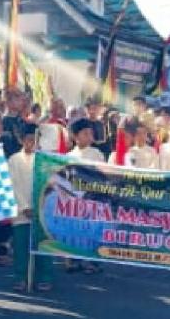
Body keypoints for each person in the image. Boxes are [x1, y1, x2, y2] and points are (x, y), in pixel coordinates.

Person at [8, 122, 52, 292]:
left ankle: (44, 277)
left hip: (41, 210)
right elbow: (13, 185)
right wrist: (25, 207)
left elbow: (49, 185)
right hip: (21, 212)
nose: (31, 142)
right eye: (28, 139)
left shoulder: (46, 159)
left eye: (35, 138)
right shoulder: (14, 160)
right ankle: (21, 277)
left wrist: (40, 207)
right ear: (21, 140)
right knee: (21, 246)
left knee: (43, 244)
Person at [67, 118, 105, 275]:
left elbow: (102, 175)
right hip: (75, 198)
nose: (90, 136)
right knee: (75, 229)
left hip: (93, 197)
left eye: (91, 133)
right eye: (85, 133)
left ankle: (93, 261)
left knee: (93, 229)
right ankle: (74, 259)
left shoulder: (96, 154)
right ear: (75, 137)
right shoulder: (69, 155)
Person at [1, 87, 26, 159]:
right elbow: (8, 146)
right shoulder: (5, 122)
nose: (22, 101)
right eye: (18, 98)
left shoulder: (21, 118)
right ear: (9, 102)